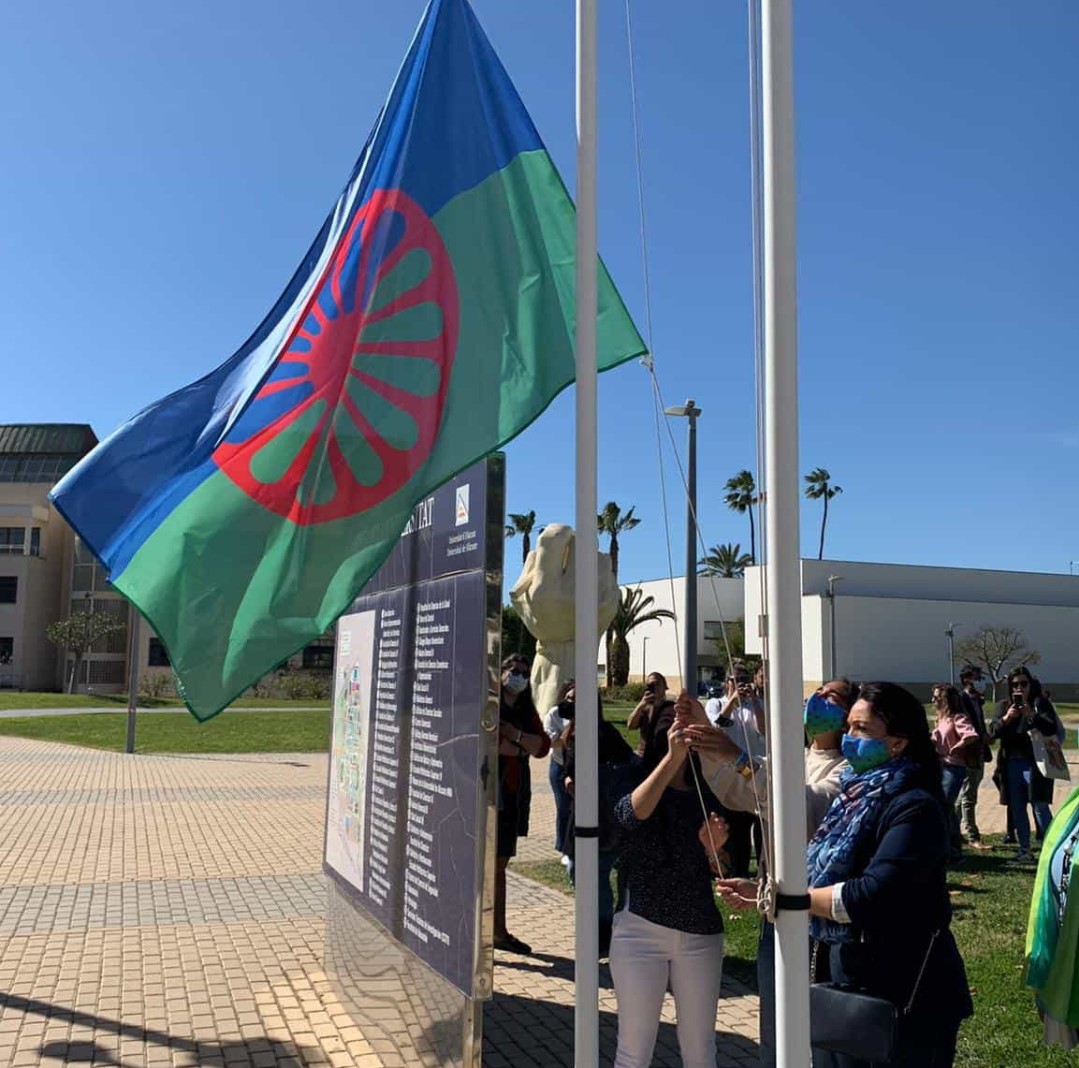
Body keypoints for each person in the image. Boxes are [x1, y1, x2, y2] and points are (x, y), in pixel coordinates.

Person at [718, 681, 973, 1068]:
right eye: (849, 726)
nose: (849, 737)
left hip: (903, 991)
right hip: (846, 982)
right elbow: (820, 876)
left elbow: (871, 895)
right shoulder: (853, 796)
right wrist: (763, 891)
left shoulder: (914, 806)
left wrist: (790, 900)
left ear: (898, 743)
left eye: (862, 729)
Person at [678, 677, 858, 1068]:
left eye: (834, 698)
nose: (819, 702)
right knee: (775, 1027)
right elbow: (737, 790)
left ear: (848, 716)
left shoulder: (849, 769)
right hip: (774, 907)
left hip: (818, 916)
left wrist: (741, 760)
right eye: (818, 694)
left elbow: (804, 810)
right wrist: (707, 738)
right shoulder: (791, 758)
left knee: (817, 1030)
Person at [609, 720, 728, 1068]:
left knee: (700, 1050)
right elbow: (628, 816)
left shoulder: (707, 792)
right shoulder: (632, 778)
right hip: (640, 930)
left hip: (700, 932)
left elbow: (724, 867)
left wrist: (713, 850)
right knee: (633, 1050)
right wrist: (670, 762)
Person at [561, 687, 635, 958]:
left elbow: (628, 763)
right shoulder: (572, 732)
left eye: (575, 699)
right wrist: (569, 780)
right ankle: (603, 927)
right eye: (568, 699)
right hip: (580, 812)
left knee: (598, 875)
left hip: (604, 817)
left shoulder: (604, 733)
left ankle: (604, 935)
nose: (569, 703)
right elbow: (569, 769)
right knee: (577, 870)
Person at [495, 653, 551, 953]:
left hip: (513, 794)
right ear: (501, 671)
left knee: (500, 862)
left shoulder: (527, 711)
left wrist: (514, 738)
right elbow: (488, 742)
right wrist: (519, 746)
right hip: (488, 791)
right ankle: (492, 930)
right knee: (488, 865)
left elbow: (542, 745)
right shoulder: (490, 703)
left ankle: (497, 931)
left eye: (523, 672)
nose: (517, 676)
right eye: (513, 670)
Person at [991, 666, 1059, 862]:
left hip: (1035, 763)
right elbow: (993, 732)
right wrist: (1006, 719)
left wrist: (1031, 715)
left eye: (1023, 683)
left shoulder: (1040, 704)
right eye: (1014, 685)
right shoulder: (1003, 706)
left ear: (1030, 684)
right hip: (1011, 763)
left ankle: (1052, 850)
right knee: (1017, 807)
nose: (1019, 688)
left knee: (1040, 805)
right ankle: (1025, 849)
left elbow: (1050, 727)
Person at [930, 683, 980, 862]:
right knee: (945, 807)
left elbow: (971, 735)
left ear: (946, 699)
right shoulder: (940, 720)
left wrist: (958, 746)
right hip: (940, 767)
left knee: (944, 804)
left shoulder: (957, 717)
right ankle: (951, 847)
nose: (933, 700)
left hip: (954, 768)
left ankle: (953, 848)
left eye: (937, 697)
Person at [957, 667, 992, 849]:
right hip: (968, 754)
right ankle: (972, 835)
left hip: (978, 752)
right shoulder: (961, 701)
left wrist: (985, 736)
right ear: (966, 680)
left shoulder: (976, 701)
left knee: (965, 794)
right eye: (976, 678)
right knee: (969, 796)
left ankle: (952, 831)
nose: (980, 681)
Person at [543, 679, 575, 865]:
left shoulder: (587, 712)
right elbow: (552, 742)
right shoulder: (555, 714)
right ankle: (563, 847)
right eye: (570, 698)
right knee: (563, 807)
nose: (573, 702)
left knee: (578, 808)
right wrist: (571, 725)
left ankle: (577, 845)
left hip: (580, 767)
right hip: (559, 765)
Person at [627, 672, 675, 766]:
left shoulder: (671, 708)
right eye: (651, 685)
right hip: (643, 754)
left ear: (665, 687)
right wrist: (641, 705)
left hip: (663, 756)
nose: (655, 688)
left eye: (657, 684)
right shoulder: (644, 708)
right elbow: (631, 725)